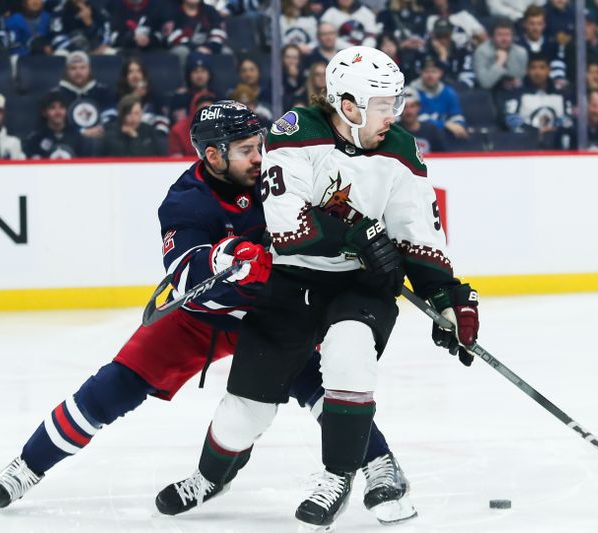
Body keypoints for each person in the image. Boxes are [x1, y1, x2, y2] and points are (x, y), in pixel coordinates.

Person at [0, 102, 416, 528]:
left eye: (259, 144)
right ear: (213, 155)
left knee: (329, 388)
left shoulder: (280, 174)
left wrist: (364, 242)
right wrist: (226, 257)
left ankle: (379, 464)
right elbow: (186, 271)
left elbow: (328, 217)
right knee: (112, 387)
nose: (259, 156)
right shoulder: (186, 201)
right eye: (246, 149)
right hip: (200, 318)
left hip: (274, 315)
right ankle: (27, 466)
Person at [155, 46, 480, 531]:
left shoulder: (401, 150)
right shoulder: (294, 133)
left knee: (350, 351)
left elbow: (417, 233)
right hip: (293, 280)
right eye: (383, 104)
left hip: (361, 286)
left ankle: (337, 475)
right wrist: (358, 234)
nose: (395, 113)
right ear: (348, 106)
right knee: (245, 410)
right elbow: (288, 229)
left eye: (396, 101)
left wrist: (448, 296)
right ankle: (210, 476)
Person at [57, 50, 117, 139]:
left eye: (82, 67)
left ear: (89, 69)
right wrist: (81, 131)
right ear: (67, 71)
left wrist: (100, 128)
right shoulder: (57, 94)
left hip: (100, 135)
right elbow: (57, 120)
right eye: (73, 68)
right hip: (70, 138)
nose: (78, 72)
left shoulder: (103, 91)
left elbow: (111, 114)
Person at [409, 54, 468, 139]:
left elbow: (456, 114)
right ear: (421, 73)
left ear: (440, 73)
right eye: (426, 71)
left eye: (434, 71)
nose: (430, 75)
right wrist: (445, 125)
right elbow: (417, 118)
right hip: (420, 137)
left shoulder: (449, 92)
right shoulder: (412, 92)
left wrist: (459, 126)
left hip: (446, 135)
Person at [23, 90, 88, 159]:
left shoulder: (77, 138)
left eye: (61, 107)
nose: (58, 112)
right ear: (44, 112)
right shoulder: (35, 140)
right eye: (52, 108)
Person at [115, 56, 170, 137]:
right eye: (131, 72)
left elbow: (163, 124)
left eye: (138, 71)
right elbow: (112, 123)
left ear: (144, 75)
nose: (135, 75)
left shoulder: (155, 96)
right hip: (123, 139)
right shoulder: (117, 96)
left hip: (150, 142)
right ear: (125, 77)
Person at [102, 94, 167, 157]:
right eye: (129, 113)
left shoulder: (149, 131)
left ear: (142, 113)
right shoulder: (111, 130)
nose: (133, 118)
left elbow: (148, 157)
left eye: (136, 113)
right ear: (122, 114)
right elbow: (120, 156)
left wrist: (135, 137)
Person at [473, 17, 528, 91]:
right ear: (492, 37)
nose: (504, 39)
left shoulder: (521, 53)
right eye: (500, 35)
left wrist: (517, 82)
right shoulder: (481, 52)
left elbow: (522, 79)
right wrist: (499, 62)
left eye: (507, 35)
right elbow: (484, 83)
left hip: (513, 92)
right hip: (487, 94)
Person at [399, 86, 444, 152]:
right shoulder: (394, 131)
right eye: (404, 107)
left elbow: (443, 156)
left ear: (419, 107)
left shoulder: (431, 130)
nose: (409, 111)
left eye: (412, 106)